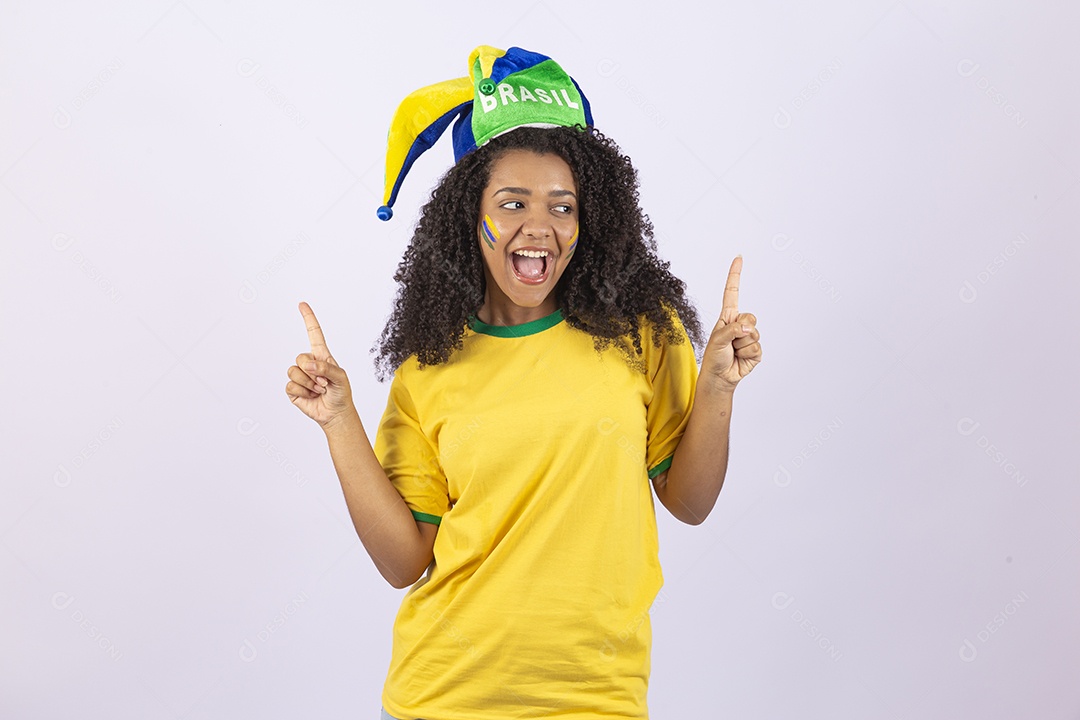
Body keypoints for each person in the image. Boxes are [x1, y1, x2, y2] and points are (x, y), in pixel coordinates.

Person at [285, 45, 762, 719]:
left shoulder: (641, 333)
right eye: (512, 202)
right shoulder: (430, 366)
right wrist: (339, 421)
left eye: (562, 206)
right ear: (466, 216)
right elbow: (402, 563)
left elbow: (689, 501)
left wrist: (717, 387)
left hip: (597, 700)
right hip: (442, 696)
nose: (539, 226)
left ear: (589, 218)